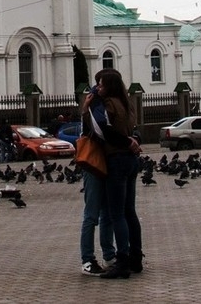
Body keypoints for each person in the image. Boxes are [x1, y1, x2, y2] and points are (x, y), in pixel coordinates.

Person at [89, 69, 143, 279]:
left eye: (101, 84)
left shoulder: (108, 104)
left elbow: (104, 130)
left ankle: (122, 261)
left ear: (109, 86)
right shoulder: (127, 103)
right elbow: (132, 130)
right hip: (130, 161)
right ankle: (135, 257)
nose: (98, 87)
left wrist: (128, 142)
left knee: (117, 214)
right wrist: (133, 142)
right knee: (130, 211)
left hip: (117, 159)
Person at [77, 90, 115, 277]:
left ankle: (109, 255)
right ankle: (87, 259)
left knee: (106, 212)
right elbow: (99, 132)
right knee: (91, 214)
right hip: (92, 166)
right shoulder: (92, 112)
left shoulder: (105, 108)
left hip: (105, 164)